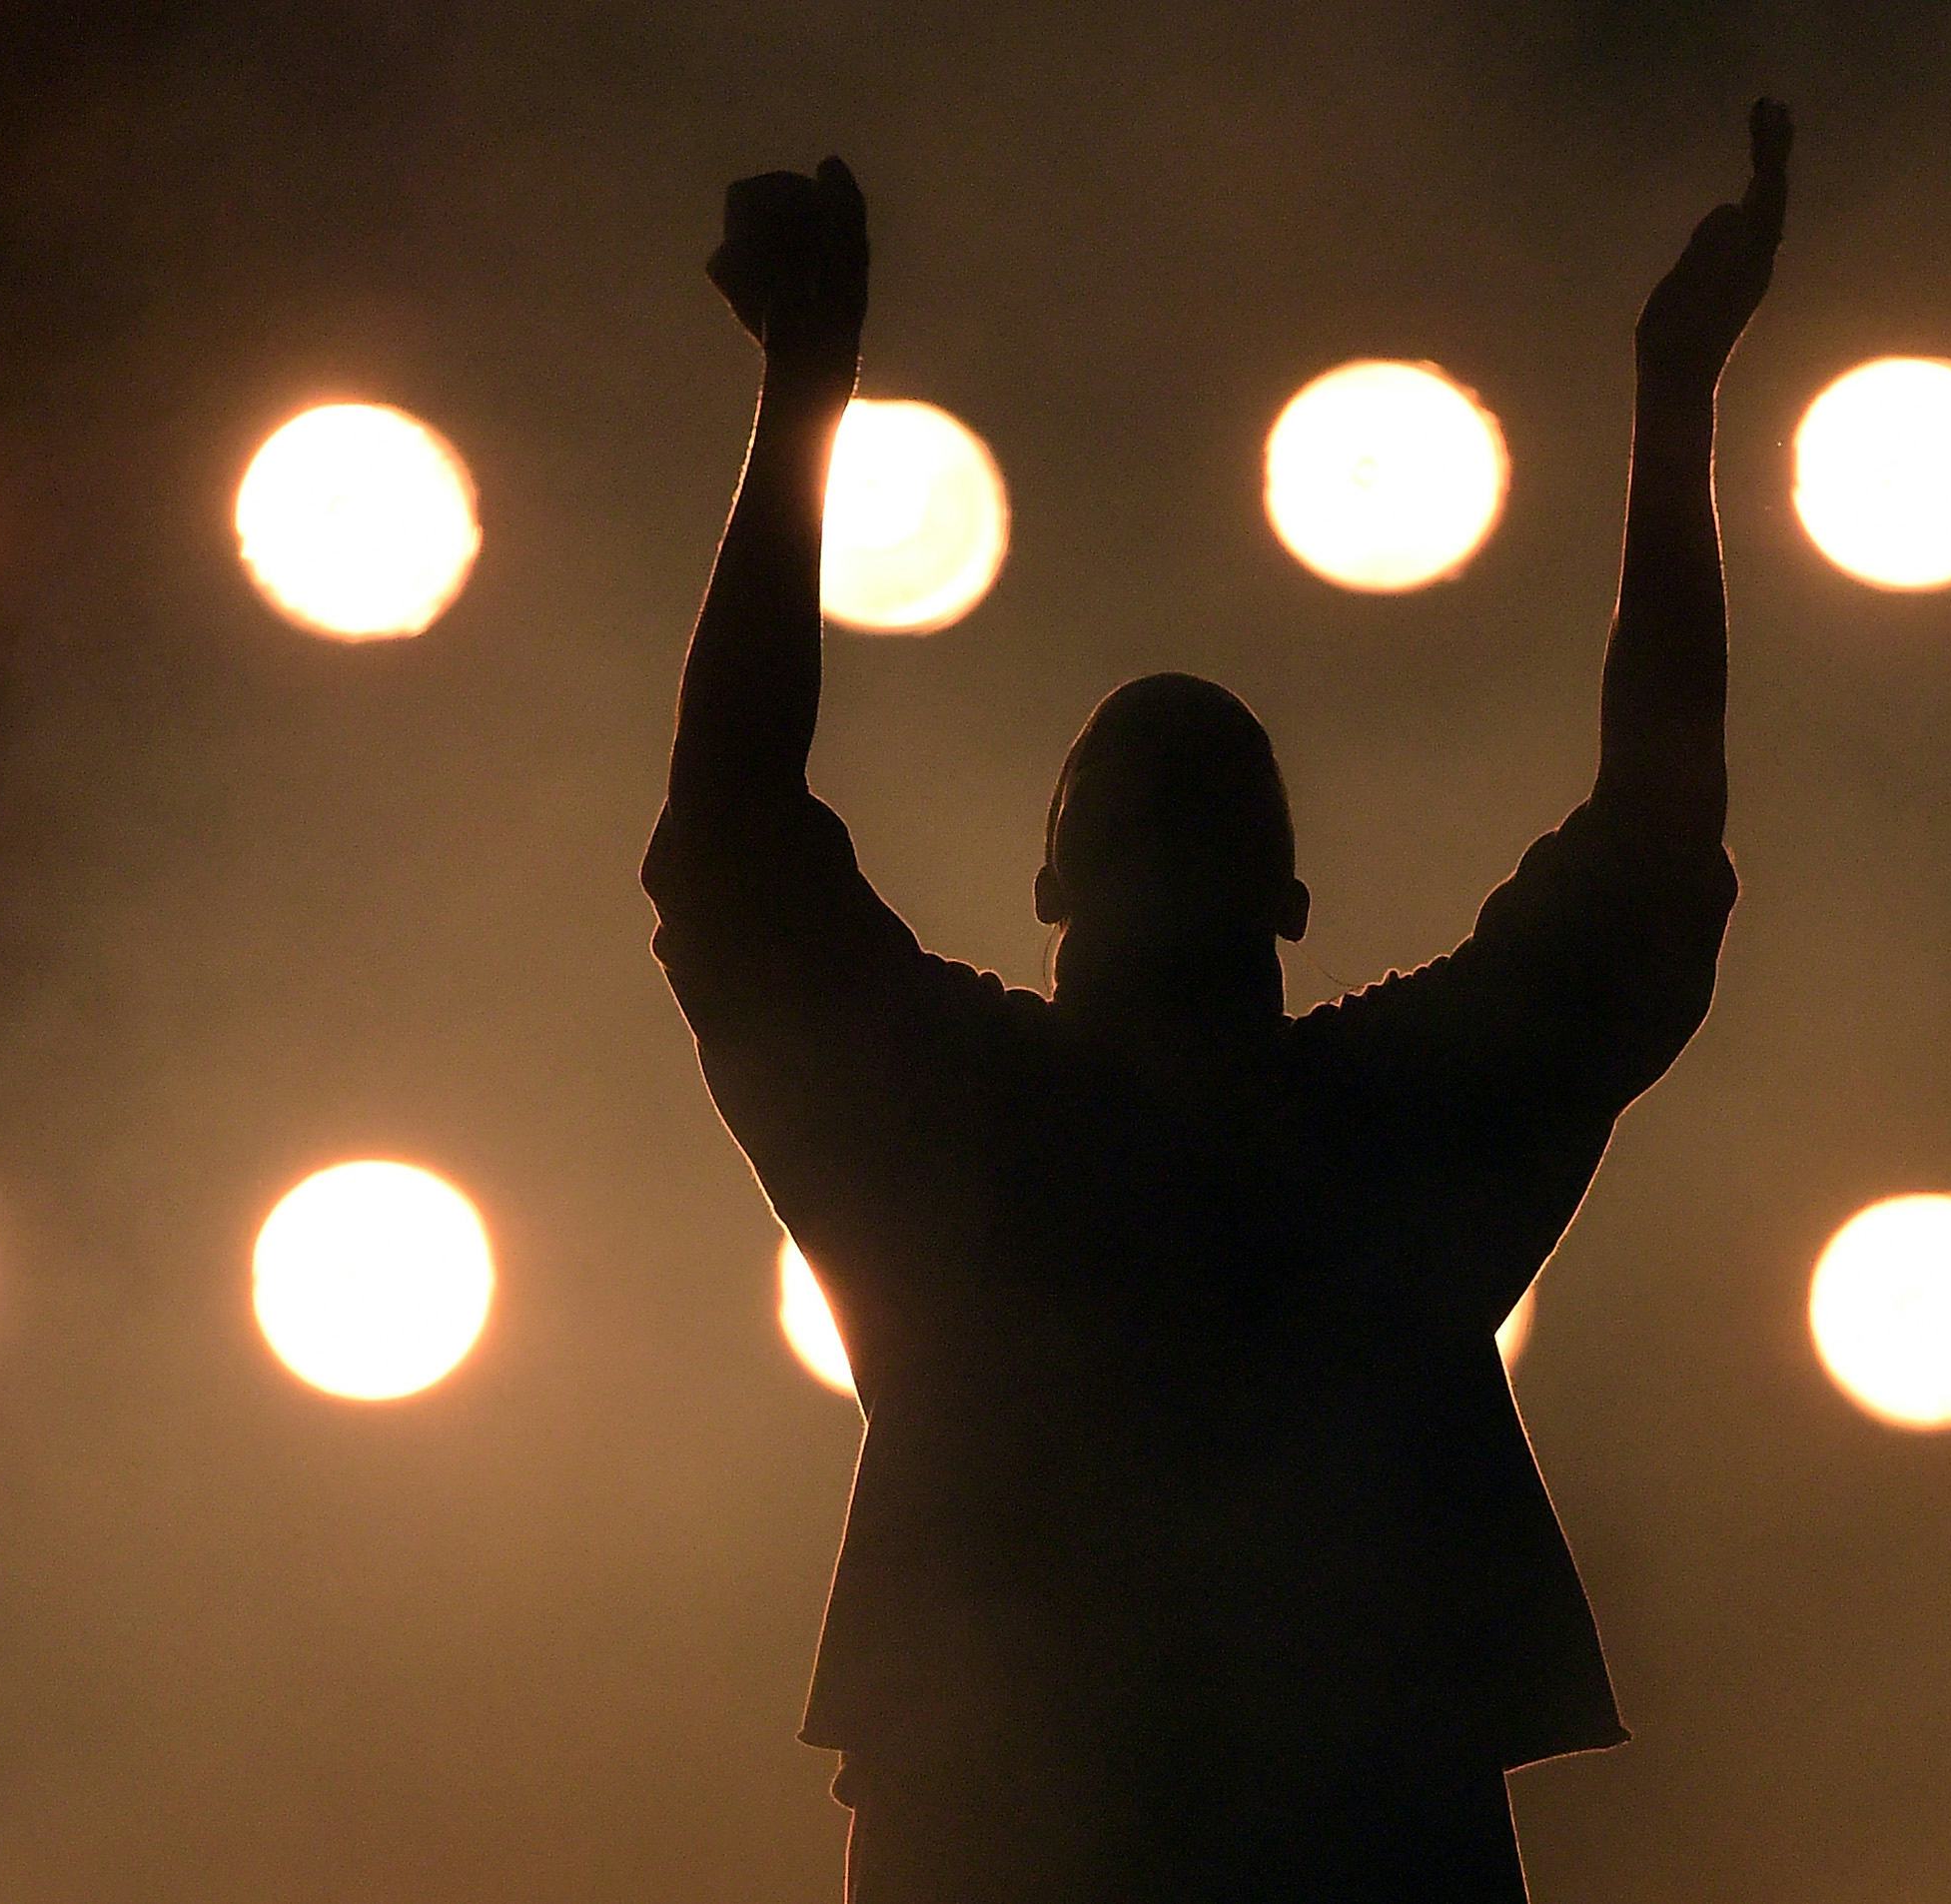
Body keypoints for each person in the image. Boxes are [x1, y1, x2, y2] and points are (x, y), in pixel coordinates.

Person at [644, 98, 1791, 1904]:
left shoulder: (955, 1134)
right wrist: (1672, 402)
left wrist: (804, 397)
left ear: (1053, 887)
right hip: (1353, 1812)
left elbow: (730, 841)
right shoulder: (1396, 1132)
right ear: (1289, 901)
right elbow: (1651, 848)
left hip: (1005, 1820)